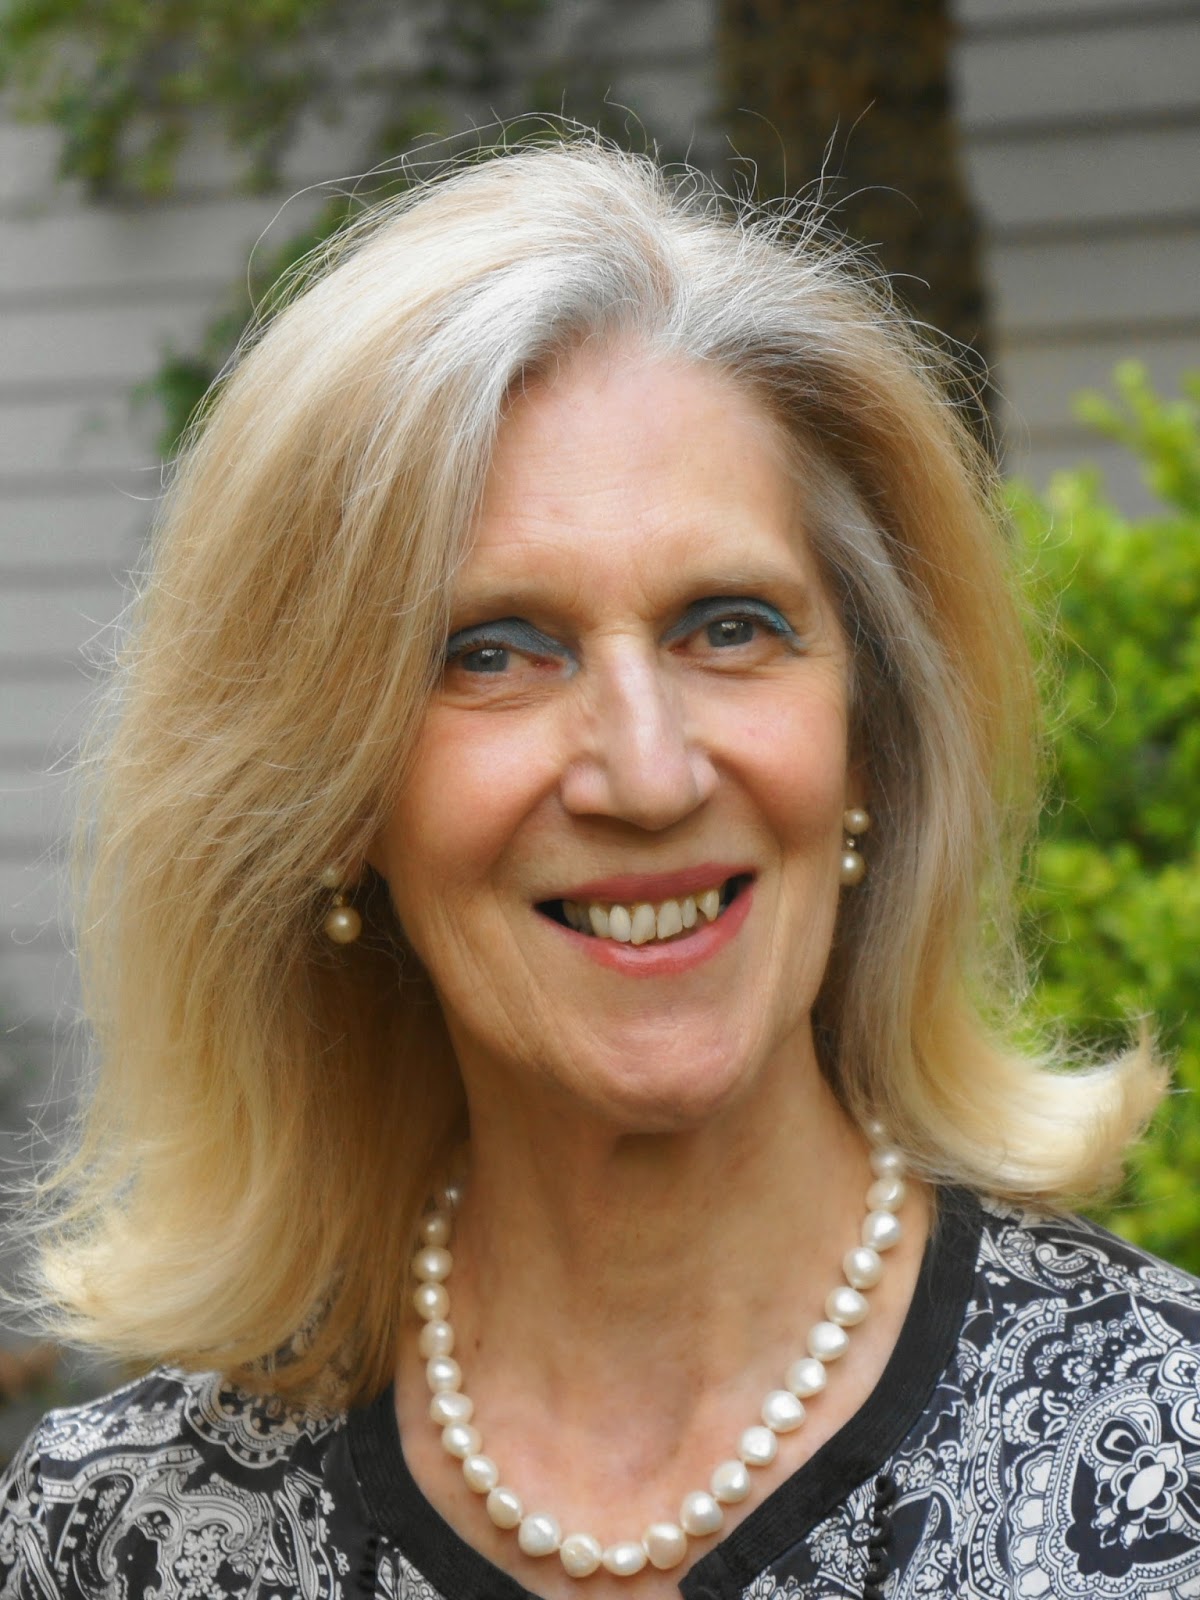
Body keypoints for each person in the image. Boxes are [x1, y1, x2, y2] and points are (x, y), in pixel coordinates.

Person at [2, 138, 1198, 1600]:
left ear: (870, 740)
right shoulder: (122, 1534)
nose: (648, 773)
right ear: (329, 797)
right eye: (493, 651)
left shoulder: (1168, 1464)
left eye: (730, 626)